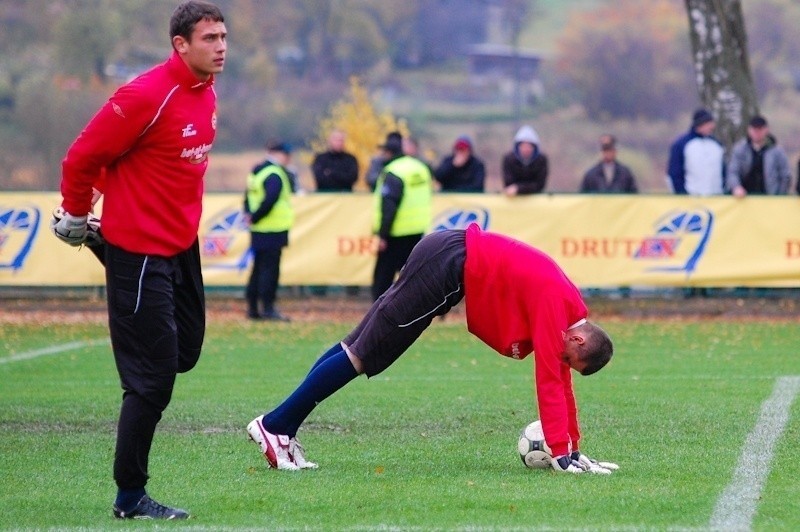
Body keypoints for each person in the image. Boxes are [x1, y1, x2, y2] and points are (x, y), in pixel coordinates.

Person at [246, 223, 617, 475]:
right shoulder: (558, 306)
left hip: (446, 255)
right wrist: (561, 452)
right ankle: (275, 425)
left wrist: (574, 447)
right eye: (569, 356)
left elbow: (560, 378)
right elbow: (549, 379)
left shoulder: (570, 309)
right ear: (579, 340)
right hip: (446, 264)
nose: (560, 358)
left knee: (355, 345)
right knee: (365, 354)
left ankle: (283, 428)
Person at [50, 1, 226, 520]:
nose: (220, 47)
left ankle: (106, 244)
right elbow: (84, 156)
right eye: (209, 38)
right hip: (142, 252)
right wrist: (78, 211)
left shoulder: (205, 91)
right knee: (152, 379)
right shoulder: (146, 94)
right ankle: (130, 496)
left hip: (180, 247)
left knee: (184, 351)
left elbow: (132, 158)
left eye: (223, 37)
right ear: (180, 45)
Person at [370, 131, 432, 301]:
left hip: (395, 233)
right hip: (417, 230)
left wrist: (383, 235)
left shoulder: (393, 171)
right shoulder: (420, 168)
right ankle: (429, 305)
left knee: (382, 280)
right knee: (414, 278)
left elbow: (389, 206)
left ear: (390, 153)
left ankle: (379, 313)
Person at [244, 140, 295, 321]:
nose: (289, 159)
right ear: (278, 154)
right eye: (287, 155)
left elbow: (248, 197)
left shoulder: (257, 171)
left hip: (258, 229)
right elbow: (270, 199)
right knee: (269, 271)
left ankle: (252, 308)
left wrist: (250, 216)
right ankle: (268, 308)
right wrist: (256, 215)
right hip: (273, 228)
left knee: (257, 269)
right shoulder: (274, 173)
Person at [726, 115, 791, 197]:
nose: (757, 133)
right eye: (754, 129)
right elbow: (733, 171)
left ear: (766, 130)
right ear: (749, 130)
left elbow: (785, 175)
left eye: (760, 129)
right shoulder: (740, 149)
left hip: (770, 198)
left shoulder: (777, 152)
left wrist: (780, 194)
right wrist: (736, 187)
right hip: (744, 199)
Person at [667, 108, 725, 195]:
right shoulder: (681, 145)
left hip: (716, 199)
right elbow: (675, 173)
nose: (712, 126)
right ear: (701, 124)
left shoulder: (717, 145)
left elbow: (724, 172)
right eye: (709, 123)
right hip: (691, 200)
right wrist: (682, 194)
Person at [502, 125, 548, 196]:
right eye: (523, 146)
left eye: (529, 146)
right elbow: (509, 184)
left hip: (536, 199)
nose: (526, 149)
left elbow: (540, 184)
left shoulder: (541, 160)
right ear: (518, 147)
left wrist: (518, 188)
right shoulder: (509, 159)